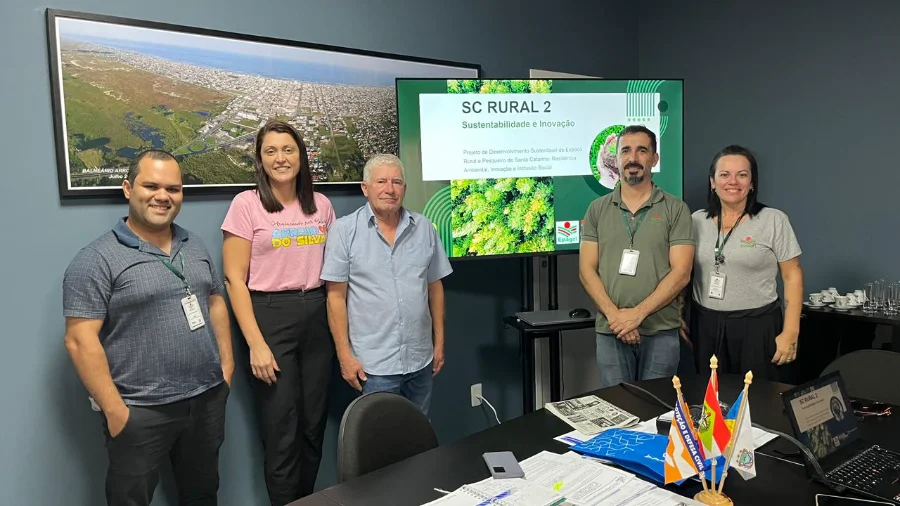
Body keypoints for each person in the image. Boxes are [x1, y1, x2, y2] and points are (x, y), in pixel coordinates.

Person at [63, 150, 233, 506]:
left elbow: (215, 300)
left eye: (173, 188)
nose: (162, 196)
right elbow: (79, 340)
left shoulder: (194, 244)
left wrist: (226, 370)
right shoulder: (96, 259)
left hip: (205, 401)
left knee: (203, 495)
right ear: (128, 188)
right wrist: (116, 411)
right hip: (141, 410)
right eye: (151, 186)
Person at [221, 120, 336, 504]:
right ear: (260, 159)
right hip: (270, 316)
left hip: (317, 313)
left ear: (301, 156)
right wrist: (256, 344)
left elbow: (335, 273)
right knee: (281, 430)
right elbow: (234, 280)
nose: (280, 158)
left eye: (288, 149)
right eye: (270, 151)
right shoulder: (246, 205)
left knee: (313, 426)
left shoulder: (321, 205)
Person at [320, 153, 452, 415]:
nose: (390, 189)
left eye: (396, 182)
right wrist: (345, 357)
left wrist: (439, 343)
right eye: (381, 182)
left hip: (420, 360)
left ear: (404, 188)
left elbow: (435, 288)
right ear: (365, 188)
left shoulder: (424, 228)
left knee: (419, 433)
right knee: (379, 437)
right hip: (373, 367)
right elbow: (335, 298)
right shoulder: (344, 231)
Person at [578, 125, 694, 388]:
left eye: (642, 150)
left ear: (654, 158)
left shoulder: (676, 209)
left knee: (657, 407)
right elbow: (586, 270)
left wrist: (636, 315)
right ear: (617, 158)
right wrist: (617, 318)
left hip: (661, 332)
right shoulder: (596, 210)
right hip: (611, 331)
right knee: (617, 407)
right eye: (626, 151)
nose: (633, 158)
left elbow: (681, 273)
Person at [689, 145, 803, 381]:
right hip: (706, 325)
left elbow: (792, 275)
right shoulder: (696, 221)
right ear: (712, 182)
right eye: (724, 175)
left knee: (759, 396)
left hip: (757, 327)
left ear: (752, 183)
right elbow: (683, 270)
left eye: (742, 175)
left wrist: (791, 332)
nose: (733, 182)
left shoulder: (773, 220)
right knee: (711, 396)